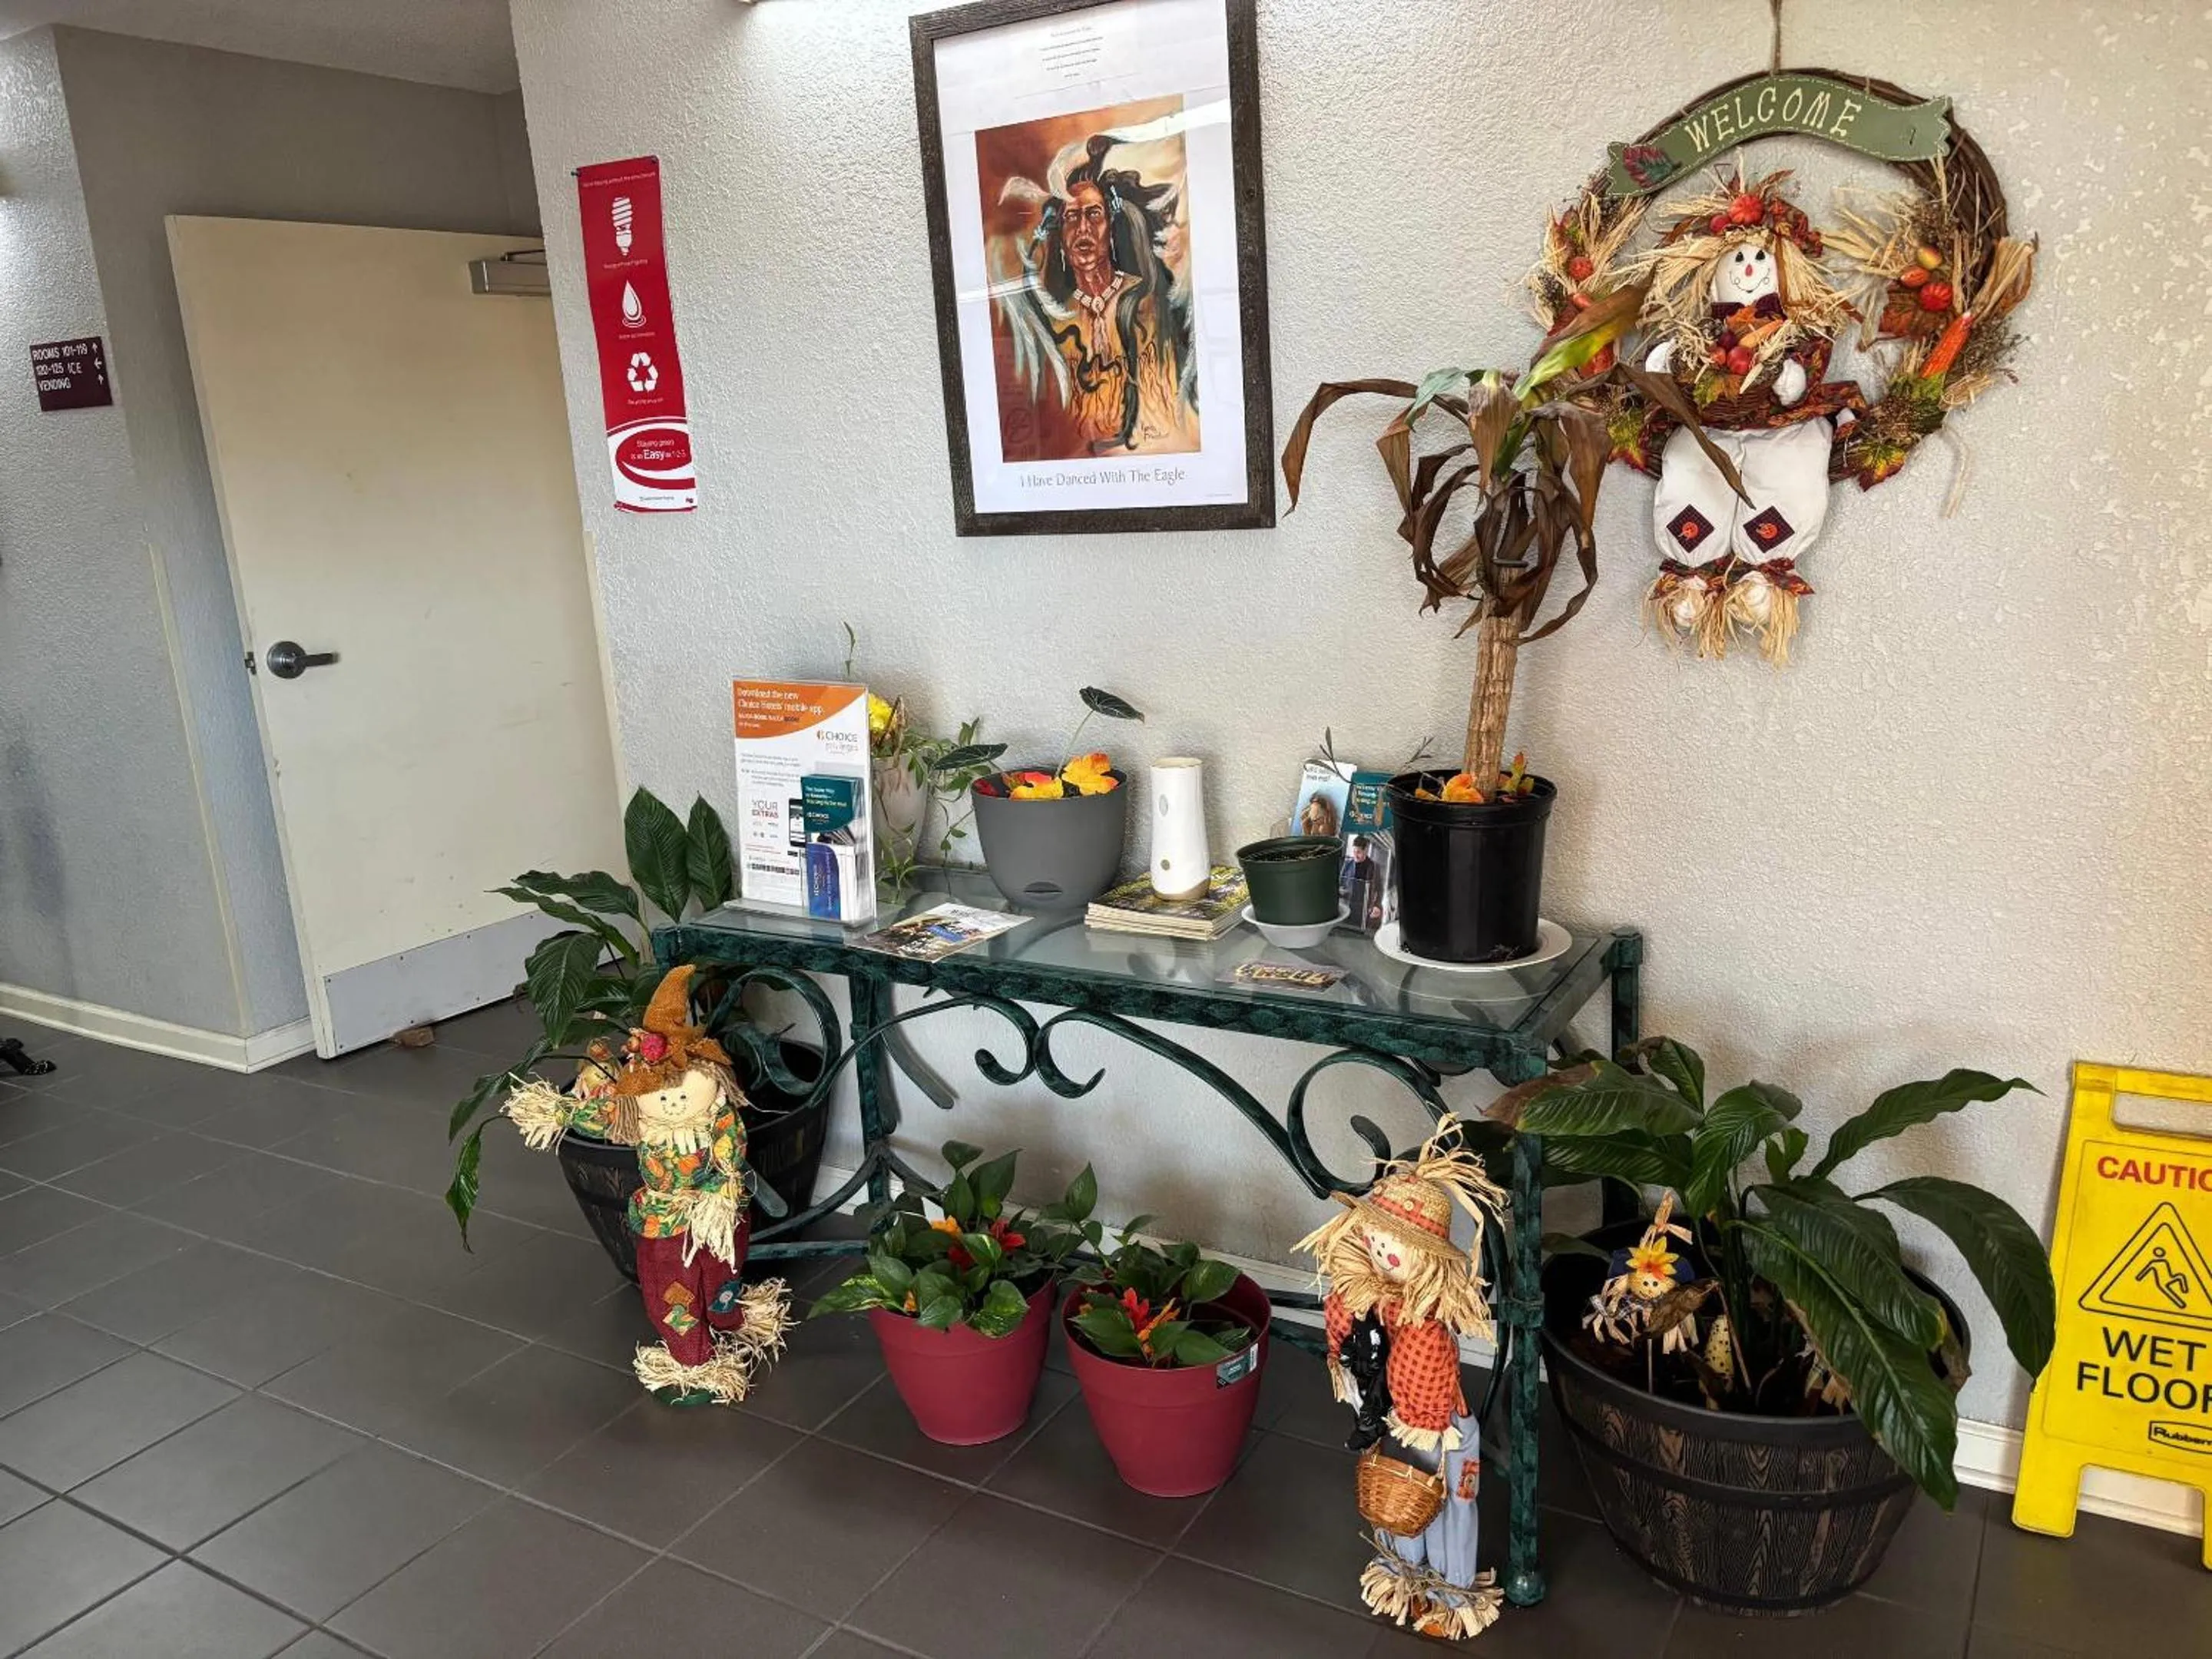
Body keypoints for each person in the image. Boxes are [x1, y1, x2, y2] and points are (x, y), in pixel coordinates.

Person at [994, 127, 1199, 457]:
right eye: (1072, 218)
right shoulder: (1057, 320)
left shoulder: (1150, 300)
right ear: (1060, 235)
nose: (1083, 229)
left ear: (1111, 227)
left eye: (1094, 214)